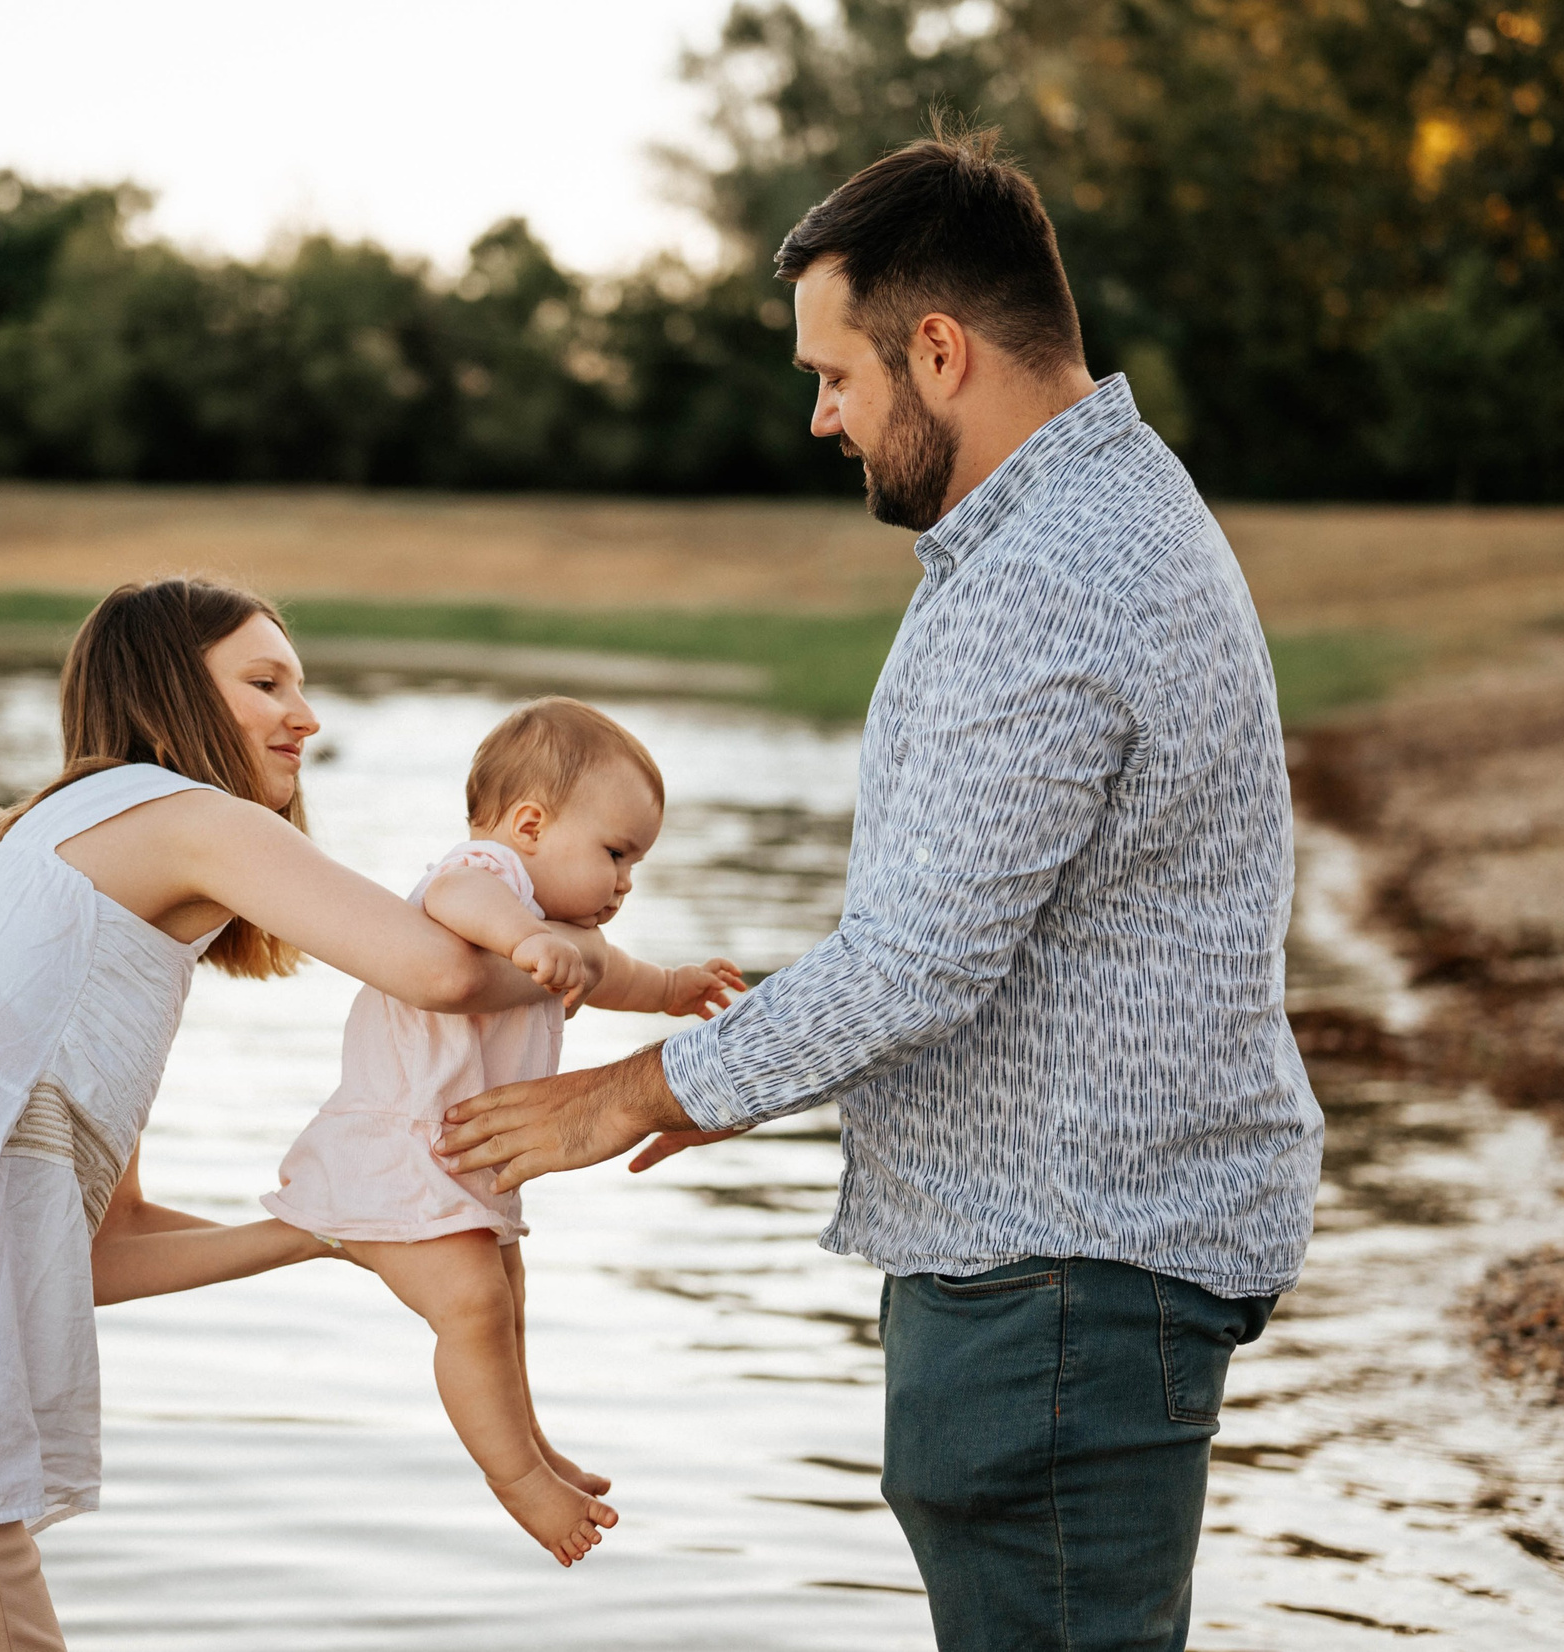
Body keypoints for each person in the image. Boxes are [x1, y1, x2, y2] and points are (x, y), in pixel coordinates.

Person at [439, 126, 1324, 1652]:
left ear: (939, 348)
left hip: (1064, 1275)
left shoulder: (1054, 575)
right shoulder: (1085, 526)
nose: (821, 418)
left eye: (833, 375)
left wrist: (634, 1092)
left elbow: (920, 962)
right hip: (1069, 1262)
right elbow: (957, 928)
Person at [0, 578, 594, 1652]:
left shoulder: (27, 866)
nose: (304, 717)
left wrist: (323, 1230)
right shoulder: (184, 813)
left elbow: (98, 1248)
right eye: (265, 682)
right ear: (172, 695)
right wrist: (608, 964)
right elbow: (443, 972)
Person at [260, 698, 742, 1565]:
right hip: (407, 1151)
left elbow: (611, 972)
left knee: (508, 1298)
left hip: (462, 1160)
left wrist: (670, 987)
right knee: (474, 1307)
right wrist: (523, 936)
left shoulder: (558, 932)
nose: (627, 881)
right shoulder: (495, 876)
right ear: (530, 824)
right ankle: (517, 1482)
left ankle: (532, 1447)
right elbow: (455, 892)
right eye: (616, 854)